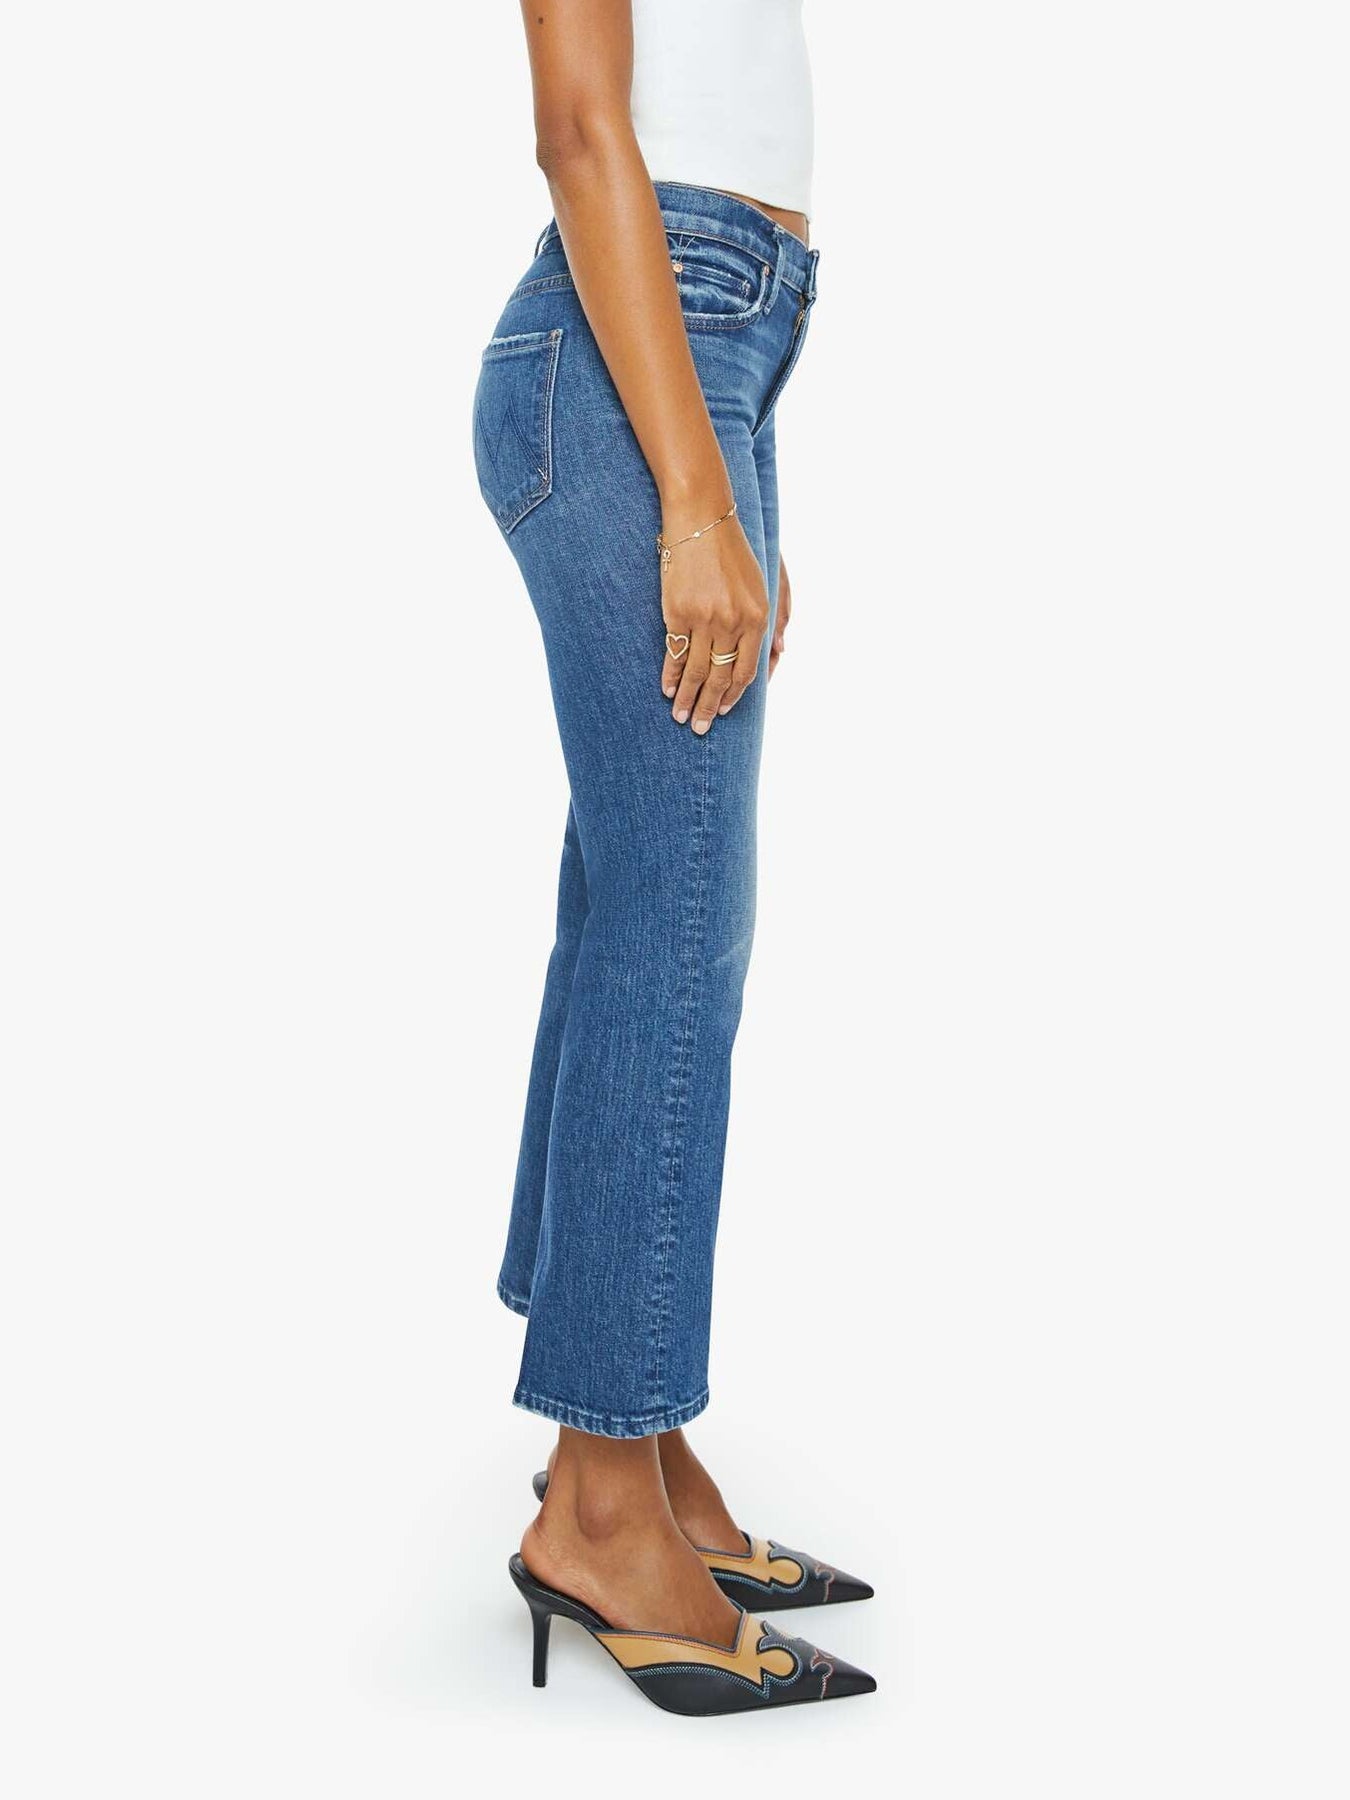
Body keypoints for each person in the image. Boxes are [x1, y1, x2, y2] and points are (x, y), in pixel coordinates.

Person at [474, 0, 875, 1714]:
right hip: (640, 342)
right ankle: (599, 1507)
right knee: (674, 921)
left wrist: (735, 468)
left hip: (714, 345)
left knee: (633, 912)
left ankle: (635, 1454)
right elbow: (581, 127)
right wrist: (699, 503)